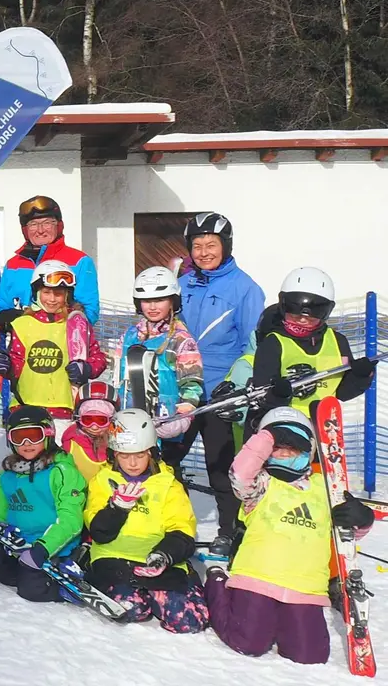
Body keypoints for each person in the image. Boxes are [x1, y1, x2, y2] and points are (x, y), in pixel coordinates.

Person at [205, 407, 375, 665]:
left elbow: (348, 537)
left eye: (292, 448)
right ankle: (216, 582)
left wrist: (362, 520)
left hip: (305, 588)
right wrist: (269, 435)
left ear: (309, 450)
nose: (284, 454)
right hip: (257, 579)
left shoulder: (326, 489)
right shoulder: (260, 485)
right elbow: (239, 472)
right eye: (277, 448)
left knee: (309, 656)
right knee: (248, 642)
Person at [174, 212, 265, 559]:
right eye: (197, 245)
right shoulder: (181, 285)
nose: (203, 252)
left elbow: (252, 346)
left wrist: (235, 387)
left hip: (219, 394)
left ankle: (229, 532)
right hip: (182, 392)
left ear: (226, 246)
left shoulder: (245, 289)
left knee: (222, 468)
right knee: (166, 461)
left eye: (211, 245)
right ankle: (173, 526)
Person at [82, 409, 207, 633]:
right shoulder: (102, 480)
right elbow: (99, 532)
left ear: (151, 452)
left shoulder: (168, 484)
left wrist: (164, 555)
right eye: (124, 455)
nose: (132, 463)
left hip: (156, 559)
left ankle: (190, 585)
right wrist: (117, 508)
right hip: (114, 558)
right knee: (130, 608)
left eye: (139, 455)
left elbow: (181, 527)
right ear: (114, 454)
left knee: (188, 620)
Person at [0, 405, 86, 602]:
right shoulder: (7, 477)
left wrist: (42, 549)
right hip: (17, 542)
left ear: (48, 434)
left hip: (51, 545)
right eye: (19, 437)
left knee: (31, 591)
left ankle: (61, 584)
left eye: (34, 436)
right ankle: (26, 573)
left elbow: (71, 520)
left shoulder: (62, 472)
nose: (26, 443)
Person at [248, 266, 375, 429]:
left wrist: (360, 376)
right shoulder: (274, 342)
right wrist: (278, 394)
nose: (302, 319)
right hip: (283, 420)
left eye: (314, 313)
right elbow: (261, 393)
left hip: (323, 422)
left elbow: (343, 393)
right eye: (295, 312)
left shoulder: (337, 342)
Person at [0, 259, 107, 437]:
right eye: (46, 292)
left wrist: (87, 368)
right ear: (36, 292)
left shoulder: (76, 324)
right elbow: (17, 362)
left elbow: (98, 358)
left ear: (67, 295)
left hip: (64, 411)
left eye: (58, 294)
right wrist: (6, 366)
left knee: (63, 454)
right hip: (27, 407)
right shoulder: (22, 324)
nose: (52, 299)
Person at [116, 267, 204, 449]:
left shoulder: (180, 339)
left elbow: (191, 383)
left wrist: (184, 415)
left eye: (159, 300)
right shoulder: (129, 336)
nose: (153, 307)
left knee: (163, 464)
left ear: (173, 301)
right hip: (128, 420)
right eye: (147, 301)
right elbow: (116, 375)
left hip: (165, 422)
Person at [0, 195, 99, 319]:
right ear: (25, 230)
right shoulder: (13, 265)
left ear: (58, 226)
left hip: (61, 330)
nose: (40, 230)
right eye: (33, 224)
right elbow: (1, 307)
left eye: (47, 223)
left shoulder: (80, 262)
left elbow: (90, 311)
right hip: (20, 330)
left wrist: (60, 319)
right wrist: (5, 319)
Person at [61, 382, 117, 482]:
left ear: (111, 419)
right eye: (87, 420)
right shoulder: (71, 446)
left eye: (101, 420)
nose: (94, 427)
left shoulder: (119, 444)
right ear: (79, 418)